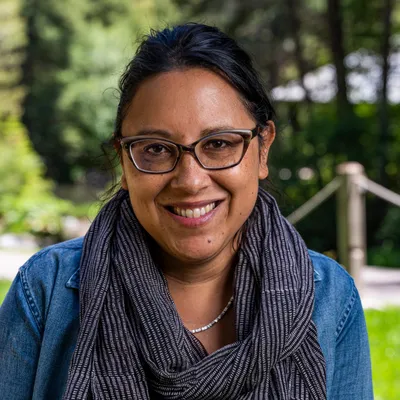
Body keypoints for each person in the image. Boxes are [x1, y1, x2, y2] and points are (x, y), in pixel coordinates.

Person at [0, 23, 373, 399]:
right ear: (123, 161)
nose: (190, 181)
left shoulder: (329, 297)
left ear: (263, 150)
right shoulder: (47, 290)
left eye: (219, 143)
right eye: (156, 149)